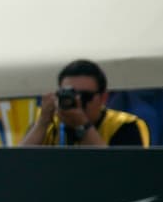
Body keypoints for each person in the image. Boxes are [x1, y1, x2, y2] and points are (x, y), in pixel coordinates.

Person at [18, 59, 151, 147]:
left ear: (103, 98)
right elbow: (16, 164)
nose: (77, 102)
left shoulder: (124, 126)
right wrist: (42, 123)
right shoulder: (48, 125)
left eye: (85, 96)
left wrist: (82, 125)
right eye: (68, 94)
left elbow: (117, 171)